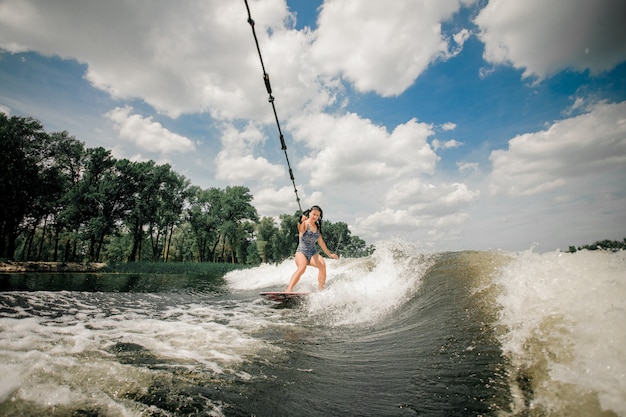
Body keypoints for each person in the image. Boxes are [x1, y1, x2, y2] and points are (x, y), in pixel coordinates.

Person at [286, 205, 339, 292]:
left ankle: (321, 290)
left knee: (322, 265)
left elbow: (321, 242)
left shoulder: (317, 227)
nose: (315, 217)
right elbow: (300, 229)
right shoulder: (305, 224)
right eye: (314, 214)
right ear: (309, 213)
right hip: (301, 252)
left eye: (318, 215)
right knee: (302, 267)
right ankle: (289, 289)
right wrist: (301, 221)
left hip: (312, 253)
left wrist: (330, 254)